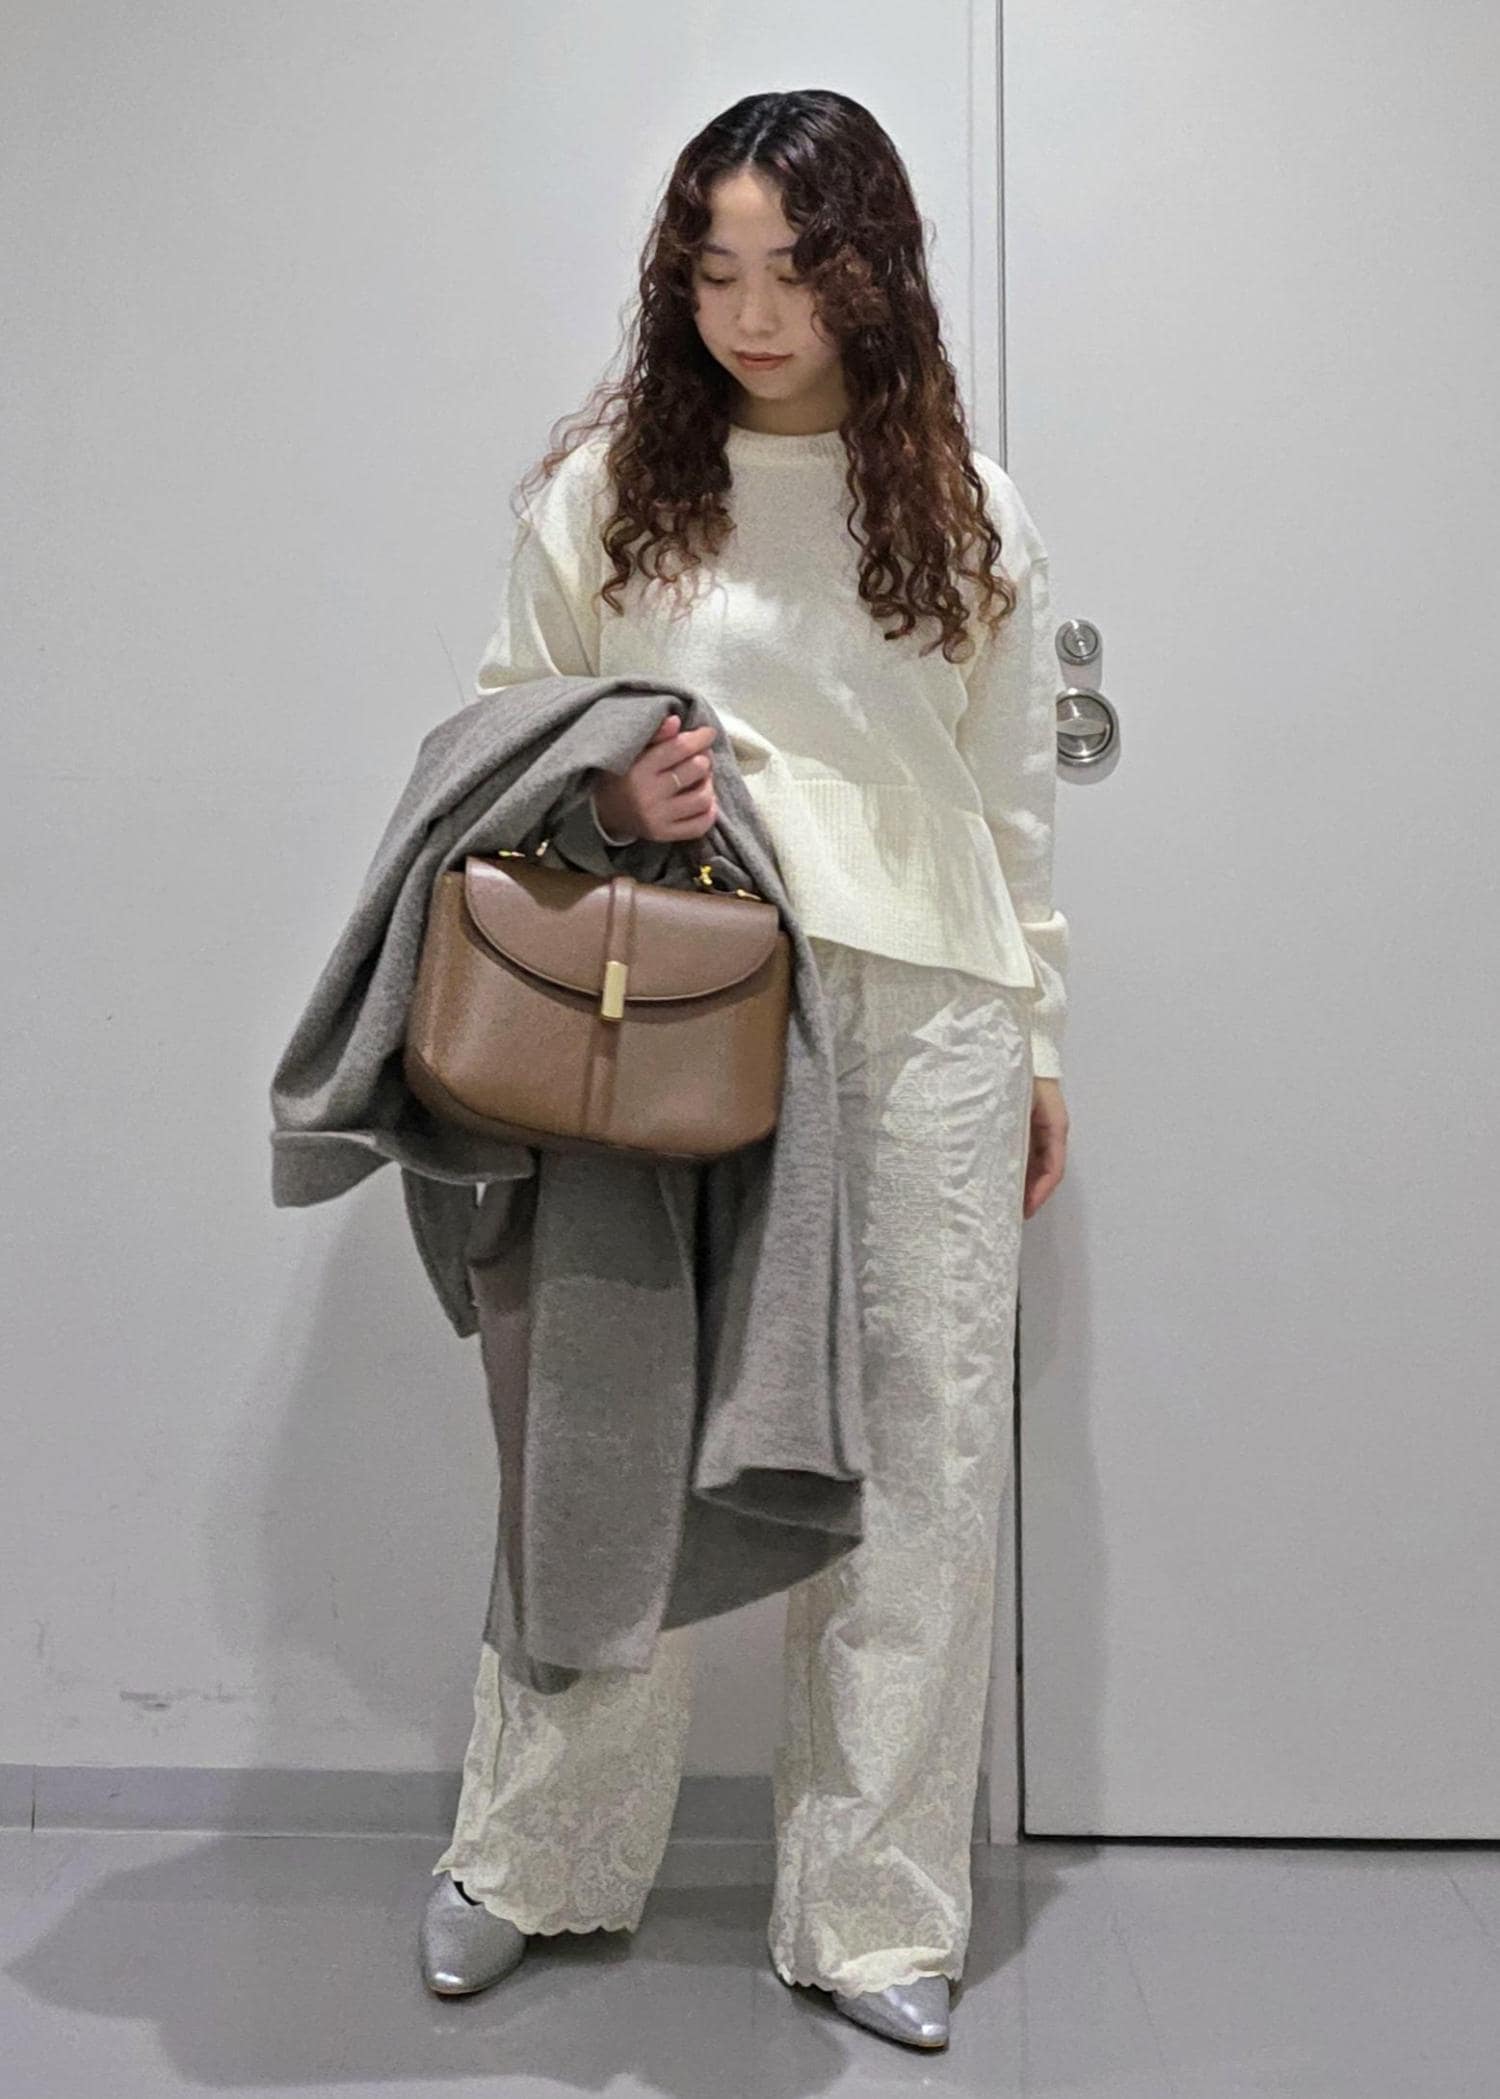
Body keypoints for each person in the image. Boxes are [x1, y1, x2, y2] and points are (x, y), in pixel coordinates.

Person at [420, 87, 1071, 2052]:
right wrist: (608, 787)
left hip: (928, 1007)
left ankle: (873, 1906)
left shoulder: (966, 505)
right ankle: (535, 1856)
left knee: (923, 1458)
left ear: (875, 272)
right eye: (713, 270)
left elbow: (1010, 805)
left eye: (795, 267)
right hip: (675, 1003)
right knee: (610, 1427)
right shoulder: (611, 490)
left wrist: (1041, 1036)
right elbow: (495, 735)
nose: (754, 312)